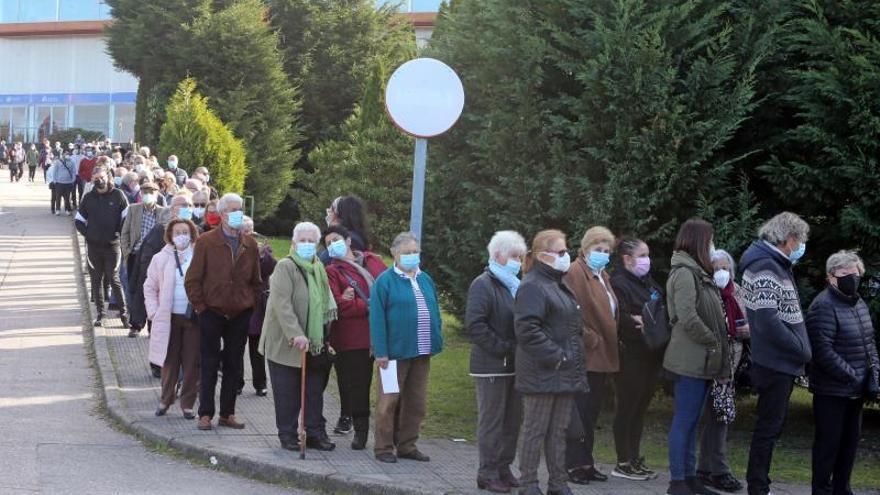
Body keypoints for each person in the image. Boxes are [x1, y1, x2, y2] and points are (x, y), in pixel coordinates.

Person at [740, 212, 812, 495]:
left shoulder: (774, 265)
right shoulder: (765, 267)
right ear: (789, 239)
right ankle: (758, 486)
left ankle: (760, 483)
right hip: (775, 363)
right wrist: (799, 349)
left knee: (771, 427)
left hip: (779, 361)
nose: (800, 247)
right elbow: (767, 320)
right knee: (768, 428)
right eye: (800, 241)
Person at [514, 229, 588, 495]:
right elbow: (527, 330)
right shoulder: (533, 285)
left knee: (559, 432)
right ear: (543, 255)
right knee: (535, 431)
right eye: (560, 252)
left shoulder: (558, 282)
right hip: (541, 373)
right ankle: (528, 484)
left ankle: (558, 483)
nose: (565, 256)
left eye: (565, 251)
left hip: (564, 371)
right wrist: (558, 357)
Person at [184, 193, 261, 431]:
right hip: (211, 311)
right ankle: (205, 413)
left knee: (234, 364)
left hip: (239, 313)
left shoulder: (250, 244)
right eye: (232, 210)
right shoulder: (207, 241)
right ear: (222, 213)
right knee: (208, 362)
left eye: (240, 209)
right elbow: (193, 279)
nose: (236, 214)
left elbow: (256, 281)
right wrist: (201, 308)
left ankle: (228, 413)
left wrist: (250, 304)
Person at [664, 219, 730, 495]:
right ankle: (677, 480)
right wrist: (712, 339)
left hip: (701, 360)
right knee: (684, 420)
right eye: (711, 240)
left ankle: (689, 477)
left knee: (691, 422)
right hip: (689, 360)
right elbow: (687, 317)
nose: (713, 246)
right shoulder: (684, 273)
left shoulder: (698, 271)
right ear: (700, 241)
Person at [259, 222, 338, 452]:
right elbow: (282, 305)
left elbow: (324, 303)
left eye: (310, 241)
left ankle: (314, 432)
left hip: (314, 343)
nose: (306, 245)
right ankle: (288, 434)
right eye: (301, 240)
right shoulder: (285, 267)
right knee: (288, 392)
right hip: (285, 342)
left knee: (314, 391)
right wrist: (296, 334)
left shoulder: (319, 268)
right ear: (293, 243)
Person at [806, 251, 878, 495]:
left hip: (855, 391)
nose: (852, 278)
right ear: (831, 276)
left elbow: (870, 344)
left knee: (849, 445)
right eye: (845, 274)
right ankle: (821, 490)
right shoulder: (823, 305)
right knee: (829, 445)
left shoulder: (859, 303)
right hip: (831, 391)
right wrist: (853, 375)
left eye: (855, 273)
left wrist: (874, 373)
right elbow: (822, 350)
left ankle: (842, 489)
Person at [369, 232, 443, 464]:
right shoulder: (385, 281)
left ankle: (408, 445)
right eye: (407, 253)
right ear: (394, 253)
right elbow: (377, 318)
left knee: (416, 402)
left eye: (415, 252)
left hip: (421, 352)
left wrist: (435, 339)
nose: (412, 257)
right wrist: (381, 351)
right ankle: (383, 448)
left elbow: (435, 312)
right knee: (388, 402)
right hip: (393, 354)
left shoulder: (424, 279)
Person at [465, 230, 527, 493]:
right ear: (499, 256)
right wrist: (504, 349)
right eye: (514, 256)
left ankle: (503, 467)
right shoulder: (483, 284)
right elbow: (475, 325)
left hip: (514, 365)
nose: (519, 262)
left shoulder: (514, 284)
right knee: (492, 421)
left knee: (512, 421)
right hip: (491, 365)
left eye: (521, 257)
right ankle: (487, 472)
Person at [323, 225, 387, 450]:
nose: (333, 245)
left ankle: (392, 434)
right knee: (358, 386)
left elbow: (388, 290)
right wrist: (369, 304)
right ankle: (361, 432)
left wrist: (355, 302)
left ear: (349, 240)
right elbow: (338, 306)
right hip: (352, 338)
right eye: (328, 243)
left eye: (336, 240)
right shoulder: (332, 270)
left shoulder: (373, 261)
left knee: (390, 387)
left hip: (382, 335)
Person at [564, 226, 619, 485]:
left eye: (607, 250)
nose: (603, 254)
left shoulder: (601, 274)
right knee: (579, 411)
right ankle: (572, 464)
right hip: (585, 353)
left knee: (591, 413)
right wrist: (591, 337)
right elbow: (569, 312)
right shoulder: (576, 272)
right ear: (585, 249)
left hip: (600, 355)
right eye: (598, 249)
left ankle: (586, 461)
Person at [609, 236, 664, 481]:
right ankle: (623, 460)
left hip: (651, 353)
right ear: (627, 259)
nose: (646, 260)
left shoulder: (647, 282)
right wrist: (640, 320)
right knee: (627, 408)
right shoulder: (619, 282)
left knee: (640, 408)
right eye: (642, 256)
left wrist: (646, 319)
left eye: (647, 255)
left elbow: (658, 308)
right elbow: (625, 319)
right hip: (631, 355)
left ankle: (634, 456)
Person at [697, 249, 750, 493]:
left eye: (725, 268)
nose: (721, 273)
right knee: (718, 418)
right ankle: (718, 470)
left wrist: (748, 330)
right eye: (716, 268)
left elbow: (751, 322)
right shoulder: (706, 293)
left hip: (731, 366)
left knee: (718, 418)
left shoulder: (738, 292)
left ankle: (706, 469)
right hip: (711, 366)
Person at [143, 218, 202, 420]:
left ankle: (187, 404)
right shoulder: (161, 258)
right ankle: (165, 399)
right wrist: (153, 312)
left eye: (185, 232)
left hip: (193, 318)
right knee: (169, 361)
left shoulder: (200, 256)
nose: (181, 236)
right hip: (168, 318)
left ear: (192, 234)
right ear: (170, 235)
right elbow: (150, 287)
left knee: (192, 361)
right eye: (177, 232)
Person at [131, 193, 193, 378]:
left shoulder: (196, 231)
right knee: (160, 335)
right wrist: (152, 309)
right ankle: (158, 366)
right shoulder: (160, 231)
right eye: (183, 205)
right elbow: (146, 265)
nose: (187, 208)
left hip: (187, 307)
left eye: (189, 204)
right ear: (172, 208)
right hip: (161, 299)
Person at [75, 166, 130, 328]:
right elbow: (78, 220)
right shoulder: (88, 198)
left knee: (114, 278)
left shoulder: (118, 195)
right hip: (93, 247)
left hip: (113, 247)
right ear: (92, 179)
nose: (99, 180)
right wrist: (89, 235)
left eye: (102, 177)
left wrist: (118, 235)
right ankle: (100, 314)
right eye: (95, 178)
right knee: (96, 280)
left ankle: (124, 314)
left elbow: (126, 219)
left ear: (108, 177)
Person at [121, 181, 167, 337]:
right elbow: (125, 233)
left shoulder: (163, 212)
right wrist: (127, 251)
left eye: (151, 192)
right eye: (144, 192)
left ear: (157, 194)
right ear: (140, 194)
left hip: (155, 257)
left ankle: (152, 326)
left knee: (155, 290)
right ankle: (136, 324)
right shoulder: (133, 210)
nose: (147, 195)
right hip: (136, 255)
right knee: (136, 289)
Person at [238, 216, 272, 397]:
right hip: (239, 303)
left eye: (250, 229)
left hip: (257, 305)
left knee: (258, 348)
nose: (249, 233)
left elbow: (269, 270)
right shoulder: (234, 247)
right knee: (236, 347)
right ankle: (237, 383)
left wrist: (261, 256)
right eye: (245, 230)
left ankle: (260, 384)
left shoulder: (263, 248)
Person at [321, 196, 370, 263]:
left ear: (339, 216)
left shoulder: (352, 240)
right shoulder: (356, 237)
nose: (328, 215)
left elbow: (325, 259)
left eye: (331, 211)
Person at [49, 151, 77, 216]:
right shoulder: (58, 162)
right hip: (59, 182)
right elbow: (55, 172)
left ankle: (67, 210)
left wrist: (73, 180)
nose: (66, 155)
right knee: (58, 197)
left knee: (67, 197)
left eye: (67, 154)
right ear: (62, 154)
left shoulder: (71, 162)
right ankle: (58, 210)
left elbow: (73, 171)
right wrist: (55, 180)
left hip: (68, 182)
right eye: (65, 154)